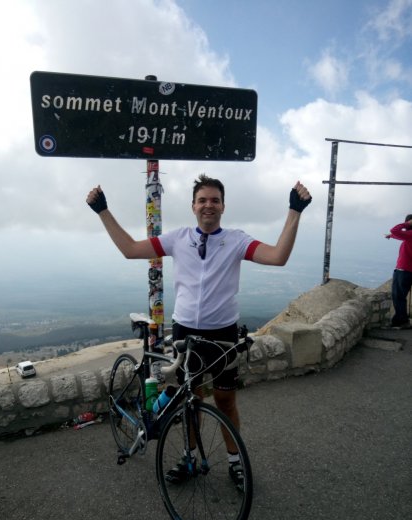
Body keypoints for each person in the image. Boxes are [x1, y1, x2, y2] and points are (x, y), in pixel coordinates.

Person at [86, 175, 312, 489]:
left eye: (215, 200)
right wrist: (103, 210)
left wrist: (294, 210)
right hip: (185, 332)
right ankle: (190, 458)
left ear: (223, 206)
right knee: (190, 400)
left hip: (223, 335)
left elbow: (277, 257)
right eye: (202, 200)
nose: (209, 205)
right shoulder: (178, 238)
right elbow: (130, 249)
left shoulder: (236, 240)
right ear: (193, 206)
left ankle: (235, 463)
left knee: (225, 401)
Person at [385, 214, 412, 329]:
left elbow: (395, 230)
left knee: (398, 296)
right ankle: (401, 320)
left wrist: (408, 223)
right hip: (407, 271)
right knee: (400, 296)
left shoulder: (410, 234)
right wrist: (391, 236)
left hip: (404, 271)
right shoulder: (408, 236)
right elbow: (397, 234)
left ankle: (401, 321)